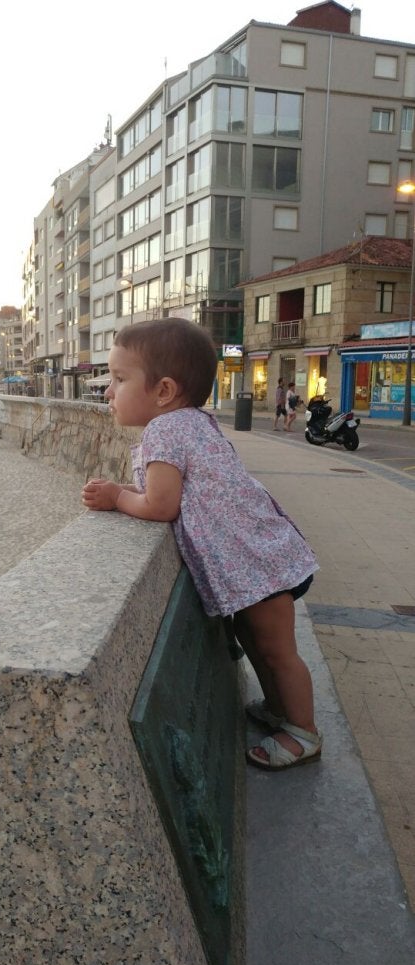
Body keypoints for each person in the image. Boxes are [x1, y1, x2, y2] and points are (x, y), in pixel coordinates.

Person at [81, 319, 322, 771]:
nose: (108, 393)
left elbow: (160, 505)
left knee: (277, 651)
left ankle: (303, 733)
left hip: (258, 563)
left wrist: (116, 495)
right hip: (257, 557)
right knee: (256, 639)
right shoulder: (193, 422)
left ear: (164, 390)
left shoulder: (164, 431)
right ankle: (280, 708)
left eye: (118, 379)